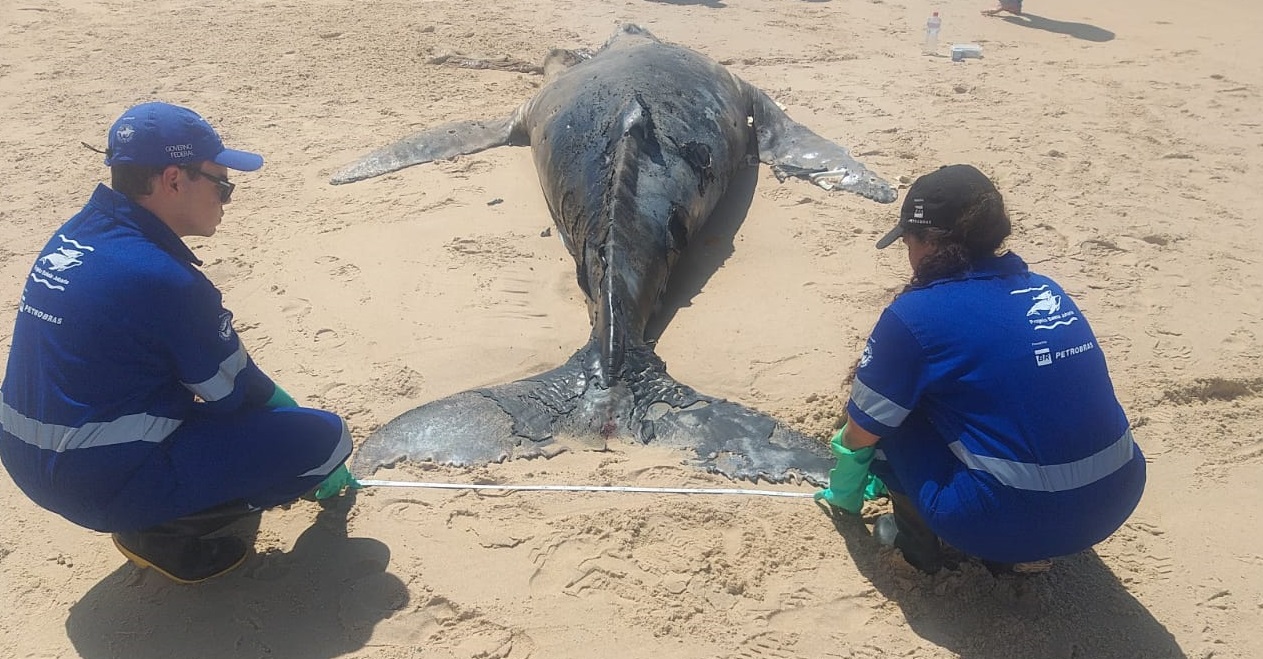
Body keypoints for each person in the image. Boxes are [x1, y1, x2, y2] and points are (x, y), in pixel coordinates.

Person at [0, 102, 359, 584]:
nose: (227, 200)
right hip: (93, 484)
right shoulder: (164, 279)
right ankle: (164, 529)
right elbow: (238, 394)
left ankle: (151, 503)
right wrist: (314, 452)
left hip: (28, 460)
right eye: (222, 184)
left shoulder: (73, 236)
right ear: (173, 180)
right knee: (326, 437)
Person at [815, 164, 1145, 575]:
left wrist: (843, 494)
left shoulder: (916, 314)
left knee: (892, 408)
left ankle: (917, 548)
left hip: (1001, 521)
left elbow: (862, 431)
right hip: (1115, 499)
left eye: (909, 244)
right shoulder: (1047, 289)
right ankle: (1015, 552)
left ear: (927, 243)